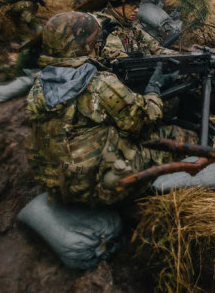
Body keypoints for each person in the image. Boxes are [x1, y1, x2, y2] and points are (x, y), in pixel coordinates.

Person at [26, 11, 176, 206]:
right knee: (172, 135)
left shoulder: (40, 80)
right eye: (95, 40)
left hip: (53, 180)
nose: (99, 43)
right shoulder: (100, 84)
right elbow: (145, 121)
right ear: (87, 45)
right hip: (91, 189)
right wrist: (154, 89)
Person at [95, 0, 168, 58]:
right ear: (117, 2)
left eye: (138, 6)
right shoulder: (100, 26)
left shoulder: (131, 29)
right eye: (132, 5)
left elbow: (158, 49)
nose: (137, 10)